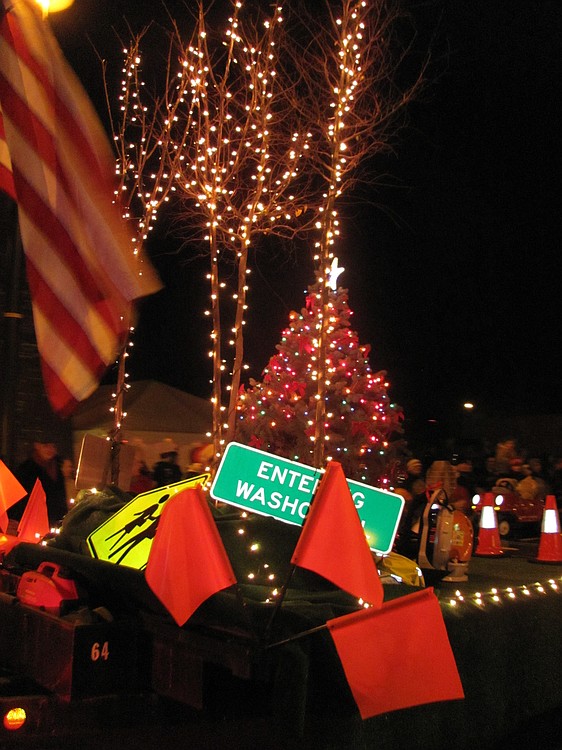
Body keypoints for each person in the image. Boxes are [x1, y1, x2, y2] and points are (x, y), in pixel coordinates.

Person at [11, 440, 68, 527]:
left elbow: (60, 496)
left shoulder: (58, 466)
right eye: (46, 446)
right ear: (37, 446)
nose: (50, 449)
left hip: (56, 522)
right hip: (33, 523)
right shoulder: (26, 469)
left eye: (53, 446)